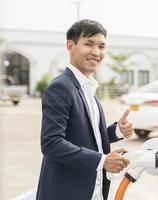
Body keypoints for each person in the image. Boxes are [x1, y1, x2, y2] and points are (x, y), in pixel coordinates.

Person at [36, 19, 134, 200]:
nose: (96, 52)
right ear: (70, 46)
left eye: (102, 46)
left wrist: (117, 130)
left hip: (93, 190)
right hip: (67, 192)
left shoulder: (88, 88)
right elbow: (51, 143)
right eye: (89, 44)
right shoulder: (61, 87)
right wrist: (103, 161)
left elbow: (87, 135)